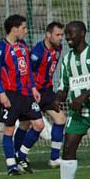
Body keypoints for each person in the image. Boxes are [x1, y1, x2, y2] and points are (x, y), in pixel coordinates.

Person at [48, 21, 90, 179]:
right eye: (65, 34)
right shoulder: (67, 60)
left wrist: (83, 96)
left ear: (83, 33)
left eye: (71, 33)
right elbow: (63, 87)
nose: (68, 37)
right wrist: (57, 99)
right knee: (68, 148)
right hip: (78, 114)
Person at [0, 14, 44, 176]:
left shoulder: (23, 46)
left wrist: (34, 88)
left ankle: (21, 155)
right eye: (23, 28)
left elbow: (27, 70)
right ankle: (11, 165)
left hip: (26, 93)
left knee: (38, 124)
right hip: (10, 94)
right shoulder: (0, 48)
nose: (25, 31)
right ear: (14, 29)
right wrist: (1, 93)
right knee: (9, 129)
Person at [15, 22, 66, 168]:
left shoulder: (58, 48)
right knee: (26, 124)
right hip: (33, 92)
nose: (60, 38)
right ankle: (19, 156)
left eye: (61, 35)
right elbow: (27, 71)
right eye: (57, 35)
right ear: (48, 34)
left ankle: (55, 158)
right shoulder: (37, 52)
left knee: (60, 119)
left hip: (47, 91)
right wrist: (29, 90)